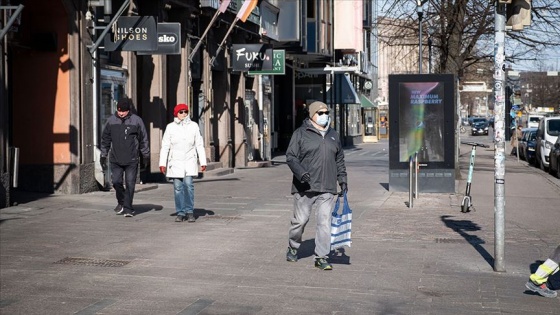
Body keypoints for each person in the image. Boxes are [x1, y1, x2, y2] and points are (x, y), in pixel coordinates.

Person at [285, 101, 348, 270]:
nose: (324, 115)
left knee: (324, 223)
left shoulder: (333, 135)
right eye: (320, 113)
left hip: (327, 187)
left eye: (326, 112)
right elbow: (291, 156)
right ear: (312, 115)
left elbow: (339, 159)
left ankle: (321, 256)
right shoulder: (300, 133)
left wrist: (342, 179)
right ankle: (293, 246)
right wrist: (301, 173)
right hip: (305, 186)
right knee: (300, 221)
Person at [100, 98, 150, 217]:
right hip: (116, 159)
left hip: (131, 159)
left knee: (130, 183)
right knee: (116, 182)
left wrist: (146, 155)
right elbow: (105, 139)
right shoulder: (111, 121)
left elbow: (143, 139)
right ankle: (122, 202)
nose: (121, 113)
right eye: (119, 111)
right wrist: (103, 154)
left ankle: (128, 208)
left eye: (123, 111)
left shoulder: (137, 121)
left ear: (129, 110)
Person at [159, 104, 207, 222]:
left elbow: (199, 144)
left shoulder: (194, 126)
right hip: (175, 162)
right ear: (176, 113)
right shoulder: (170, 127)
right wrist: (162, 163)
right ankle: (180, 212)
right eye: (181, 112)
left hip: (189, 160)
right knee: (178, 187)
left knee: (189, 185)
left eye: (185, 111)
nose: (184, 114)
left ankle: (189, 211)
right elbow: (165, 146)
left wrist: (203, 161)